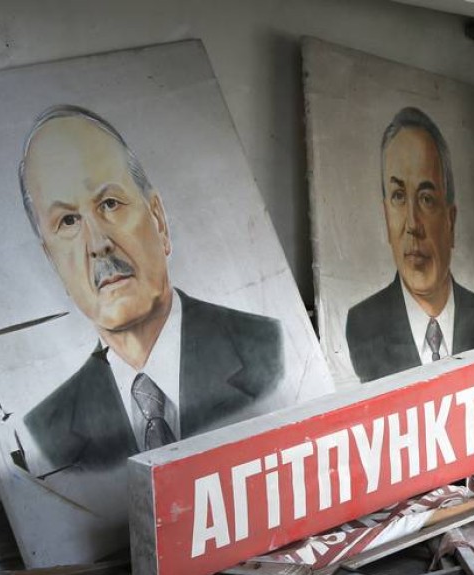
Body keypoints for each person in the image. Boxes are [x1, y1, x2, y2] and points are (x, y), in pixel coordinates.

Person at [18, 105, 284, 471]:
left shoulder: (272, 349)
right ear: (52, 261)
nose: (97, 244)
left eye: (109, 204)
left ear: (158, 219)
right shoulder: (46, 437)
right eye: (67, 221)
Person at [346, 106, 474, 382]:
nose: (412, 224)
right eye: (398, 196)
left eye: (426, 198)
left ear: (451, 220)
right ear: (386, 217)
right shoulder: (363, 326)